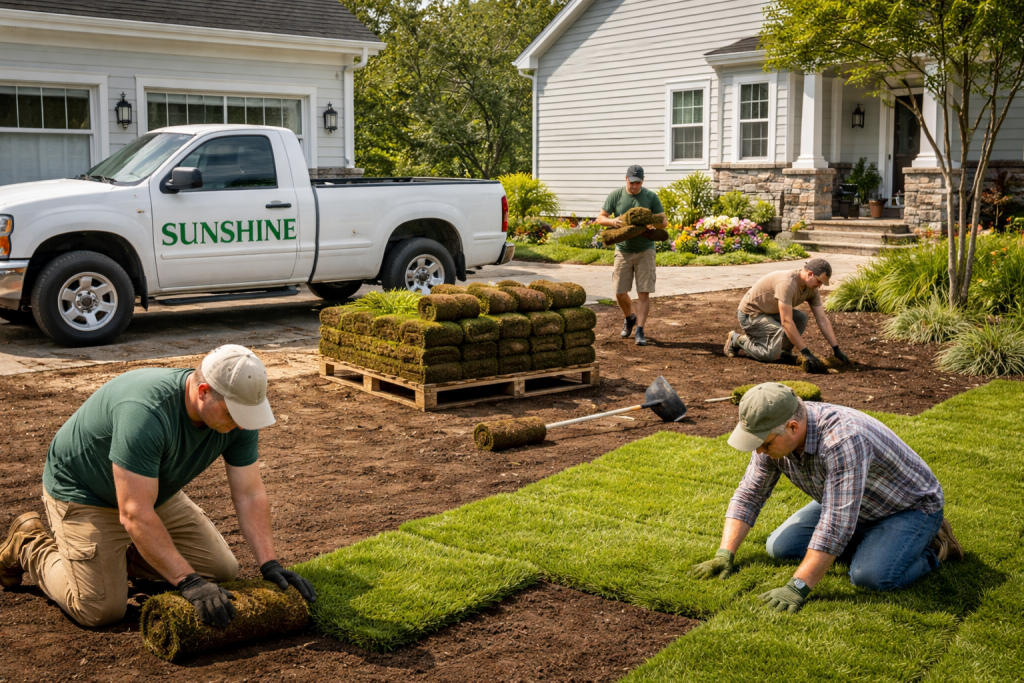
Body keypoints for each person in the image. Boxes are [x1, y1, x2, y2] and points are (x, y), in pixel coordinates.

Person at [0, 345, 316, 628]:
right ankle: (30, 544)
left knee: (221, 570)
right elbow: (134, 513)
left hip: (149, 491)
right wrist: (186, 580)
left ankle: (112, 559)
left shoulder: (238, 414)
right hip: (86, 493)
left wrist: (269, 563)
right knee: (100, 610)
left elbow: (249, 493)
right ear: (203, 391)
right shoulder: (145, 413)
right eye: (234, 413)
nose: (241, 422)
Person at [690, 382, 962, 614]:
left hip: (908, 508)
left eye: (764, 443)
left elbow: (836, 523)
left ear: (793, 427)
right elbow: (750, 494)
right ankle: (872, 543)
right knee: (780, 547)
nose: (759, 451)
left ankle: (934, 547)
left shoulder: (843, 439)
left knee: (870, 577)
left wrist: (796, 587)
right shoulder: (773, 436)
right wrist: (724, 553)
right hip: (849, 502)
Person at [723, 258, 851, 371]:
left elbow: (822, 318)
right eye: (819, 282)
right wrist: (805, 352)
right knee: (770, 355)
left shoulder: (811, 289)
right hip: (751, 314)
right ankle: (737, 339)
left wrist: (836, 349)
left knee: (801, 318)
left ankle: (783, 351)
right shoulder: (787, 283)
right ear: (810, 274)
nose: (820, 286)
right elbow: (786, 322)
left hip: (770, 313)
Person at [595, 164, 668, 346]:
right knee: (620, 292)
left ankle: (640, 331)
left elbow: (663, 222)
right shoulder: (616, 196)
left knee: (643, 292)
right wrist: (613, 222)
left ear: (642, 181)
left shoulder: (650, 196)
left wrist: (652, 224)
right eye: (632, 182)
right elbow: (600, 218)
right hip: (623, 250)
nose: (634, 186)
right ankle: (629, 318)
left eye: (638, 182)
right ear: (625, 179)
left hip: (646, 250)